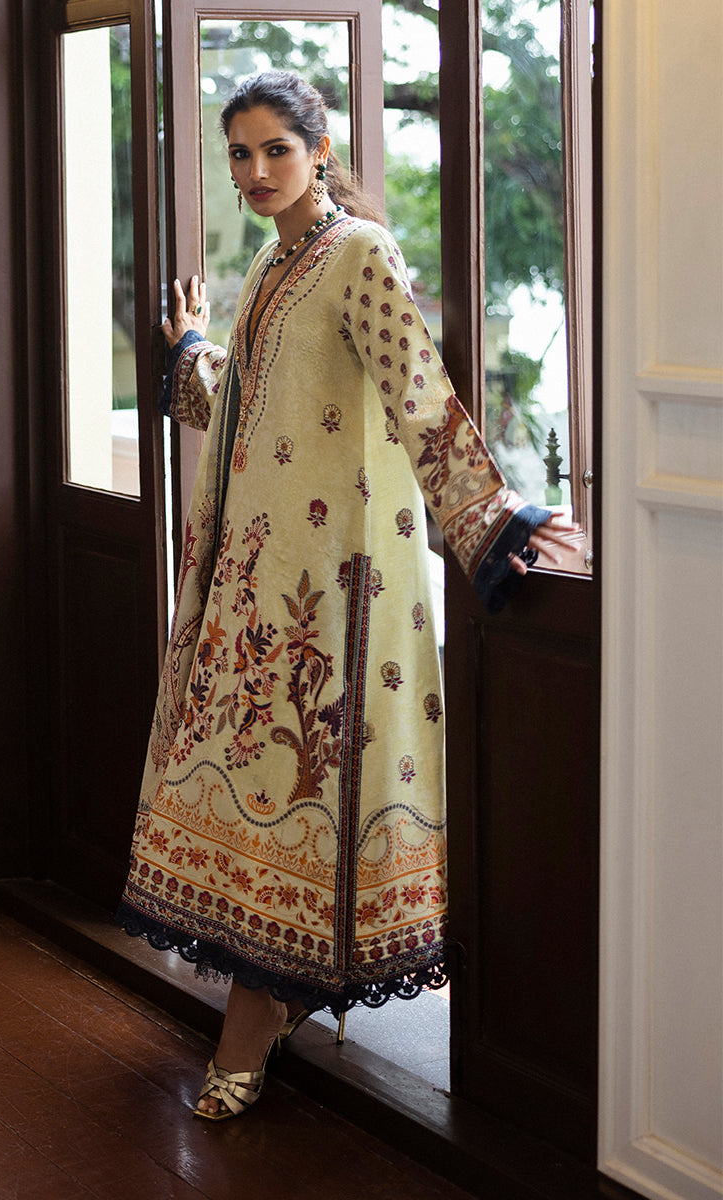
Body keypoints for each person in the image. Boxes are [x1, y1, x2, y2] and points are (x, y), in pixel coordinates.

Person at [117, 70, 580, 1121]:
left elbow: (419, 393)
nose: (256, 172)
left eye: (276, 149)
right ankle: (277, 995)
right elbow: (249, 400)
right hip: (251, 581)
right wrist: (189, 350)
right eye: (240, 154)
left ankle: (255, 1016)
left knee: (298, 789)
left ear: (320, 150)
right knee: (248, 787)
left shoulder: (358, 254)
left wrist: (495, 519)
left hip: (328, 591)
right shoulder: (269, 267)